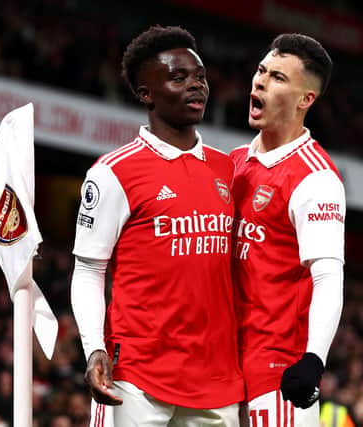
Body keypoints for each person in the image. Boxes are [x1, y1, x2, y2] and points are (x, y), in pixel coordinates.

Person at [70, 25, 244, 427]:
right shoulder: (114, 173)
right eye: (178, 78)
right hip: (136, 377)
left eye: (199, 76)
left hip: (217, 378)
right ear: (146, 93)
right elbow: (89, 269)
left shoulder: (228, 170)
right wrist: (94, 349)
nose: (195, 86)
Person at [230, 33, 345, 426]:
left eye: (278, 77)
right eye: (261, 71)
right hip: (221, 371)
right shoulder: (232, 164)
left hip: (278, 377)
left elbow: (328, 276)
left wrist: (314, 359)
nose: (259, 81)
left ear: (305, 100)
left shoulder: (315, 179)